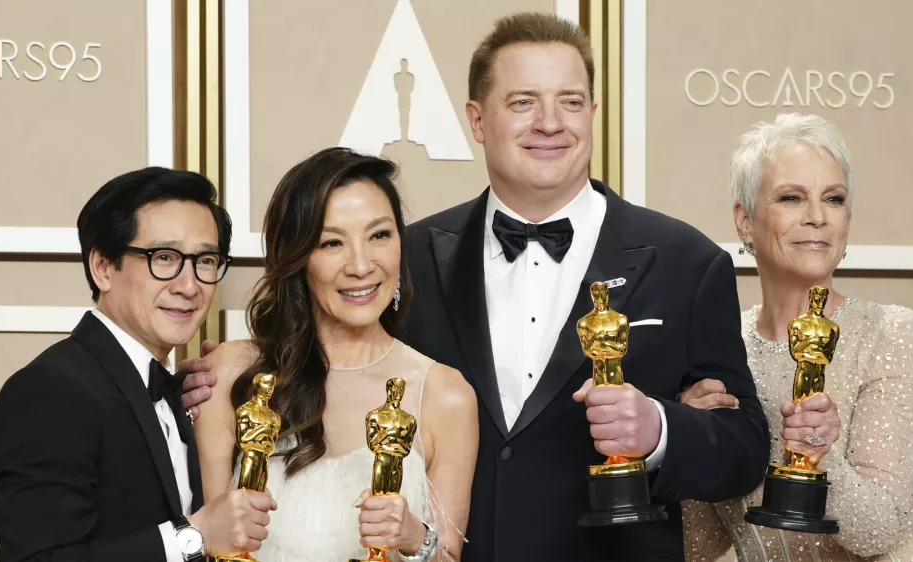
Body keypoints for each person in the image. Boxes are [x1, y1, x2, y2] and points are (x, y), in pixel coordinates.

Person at [182, 12, 769, 561]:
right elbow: (321, 358)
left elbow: (745, 450)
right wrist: (206, 378)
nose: (549, 122)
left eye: (569, 101)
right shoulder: (401, 255)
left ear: (593, 110)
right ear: (477, 118)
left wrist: (662, 429)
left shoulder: (688, 262)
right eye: (523, 102)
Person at [677, 113, 913, 561]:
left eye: (833, 198)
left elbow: (878, 532)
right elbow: (703, 548)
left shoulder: (892, 336)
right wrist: (688, 442)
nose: (816, 217)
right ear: (745, 220)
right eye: (791, 197)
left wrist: (819, 456)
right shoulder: (720, 355)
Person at [190, 147, 478, 562]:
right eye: (331, 243)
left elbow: (448, 557)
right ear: (298, 258)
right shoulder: (232, 374)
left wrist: (415, 536)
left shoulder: (444, 394)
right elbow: (211, 544)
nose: (361, 265)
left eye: (379, 235)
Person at [0, 168, 276, 562]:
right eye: (164, 257)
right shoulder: (49, 390)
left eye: (206, 260)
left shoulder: (173, 390)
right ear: (103, 268)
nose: (189, 285)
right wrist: (192, 536)